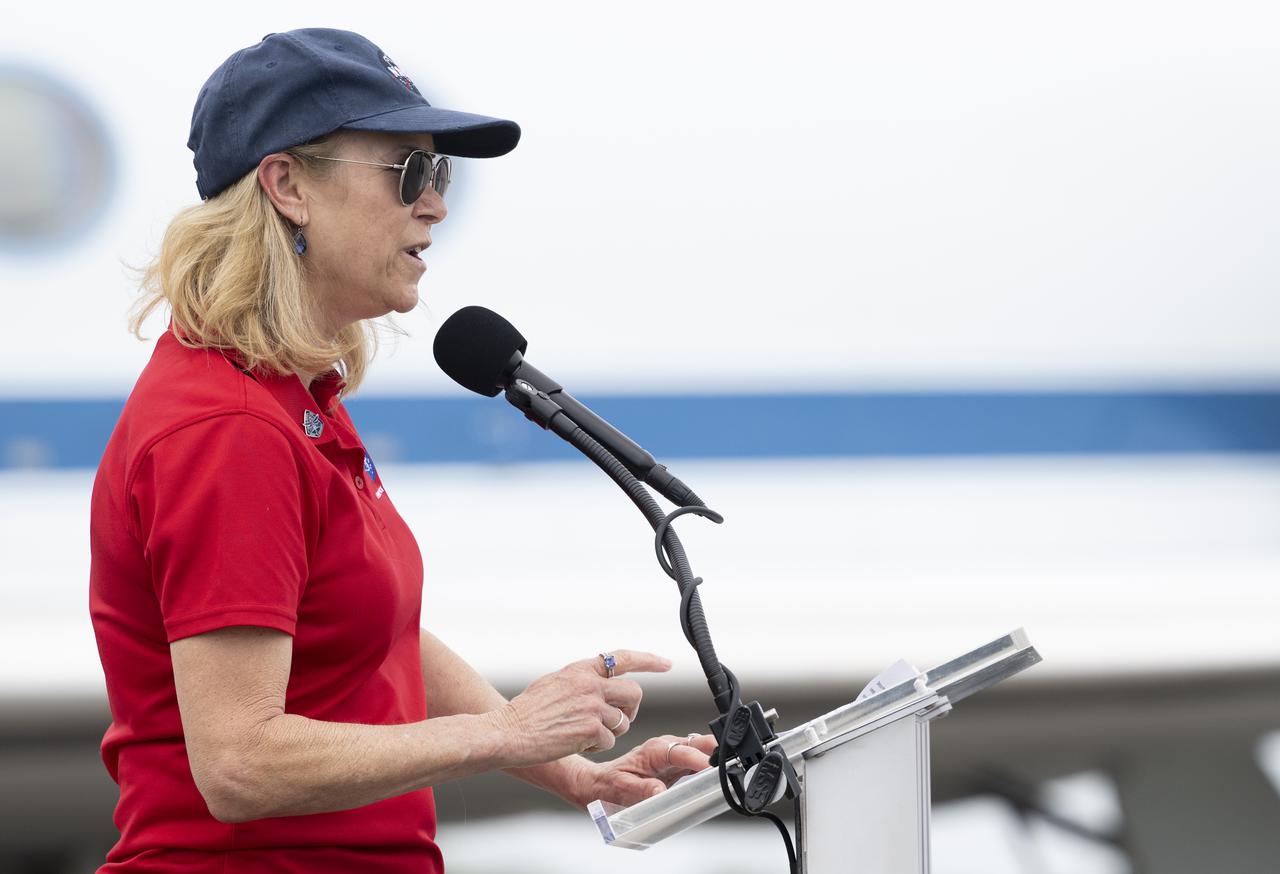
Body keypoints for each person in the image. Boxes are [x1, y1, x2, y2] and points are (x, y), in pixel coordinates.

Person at [89, 28, 715, 873]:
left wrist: (573, 773)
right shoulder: (228, 429)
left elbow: (382, 634)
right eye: (410, 171)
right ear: (288, 186)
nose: (436, 205)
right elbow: (239, 762)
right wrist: (507, 730)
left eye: (440, 173)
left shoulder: (289, 399)